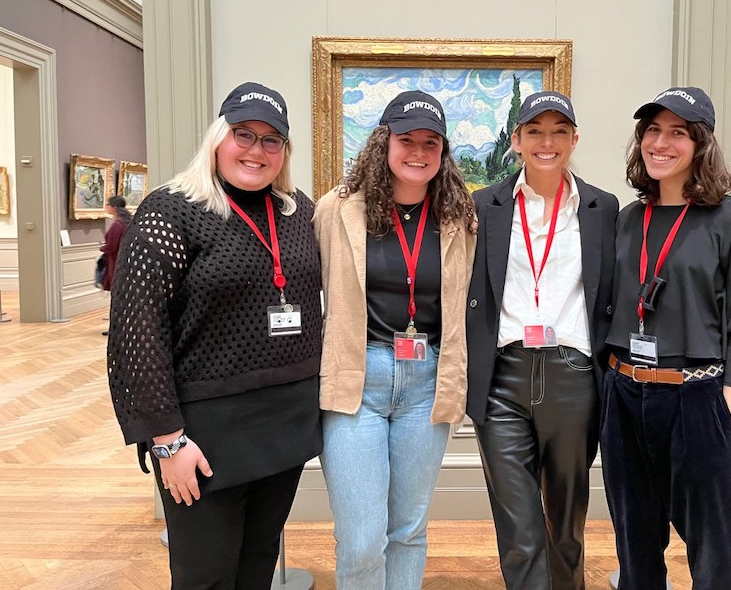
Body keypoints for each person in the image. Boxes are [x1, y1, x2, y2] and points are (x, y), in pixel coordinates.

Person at [106, 82, 322, 589]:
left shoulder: (297, 212)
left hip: (284, 423)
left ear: (285, 152)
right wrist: (167, 441)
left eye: (272, 140)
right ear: (217, 138)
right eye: (243, 134)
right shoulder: (170, 211)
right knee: (205, 576)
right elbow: (137, 336)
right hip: (202, 434)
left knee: (258, 563)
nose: (256, 150)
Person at [601, 87, 731, 589]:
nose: (661, 143)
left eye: (677, 132)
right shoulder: (627, 220)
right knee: (635, 543)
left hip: (698, 396)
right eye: (653, 130)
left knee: (714, 551)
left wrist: (723, 414)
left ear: (700, 144)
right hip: (625, 393)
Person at [313, 90, 476, 589]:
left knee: (408, 528)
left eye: (432, 142)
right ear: (384, 142)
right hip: (356, 378)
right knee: (362, 536)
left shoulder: (459, 218)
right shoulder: (336, 210)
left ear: (443, 151)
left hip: (425, 383)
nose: (419, 152)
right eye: (407, 140)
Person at [466, 91, 619, 589]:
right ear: (516, 140)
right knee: (519, 529)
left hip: (573, 379)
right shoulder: (483, 206)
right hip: (503, 379)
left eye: (558, 131)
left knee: (566, 526)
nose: (546, 142)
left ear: (575, 139)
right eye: (534, 131)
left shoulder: (603, 207)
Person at [99, 194, 132, 335]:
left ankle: (116, 327)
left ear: (114, 208)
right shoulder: (127, 222)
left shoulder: (117, 225)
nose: (106, 207)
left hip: (116, 264)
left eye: (108, 205)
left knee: (118, 296)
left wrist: (102, 248)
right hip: (124, 263)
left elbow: (111, 246)